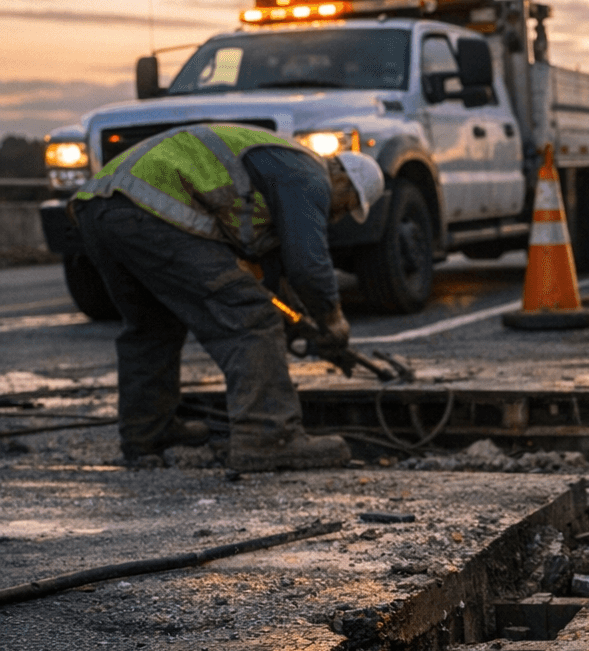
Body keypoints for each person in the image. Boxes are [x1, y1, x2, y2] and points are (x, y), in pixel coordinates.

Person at [71, 123, 384, 472]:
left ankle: (147, 434)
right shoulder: (310, 175)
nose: (338, 216)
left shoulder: (279, 168)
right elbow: (307, 264)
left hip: (100, 205)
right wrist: (332, 319)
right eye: (347, 205)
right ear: (342, 179)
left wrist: (301, 323)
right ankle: (268, 437)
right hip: (151, 204)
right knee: (252, 319)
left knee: (153, 326)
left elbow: (274, 280)